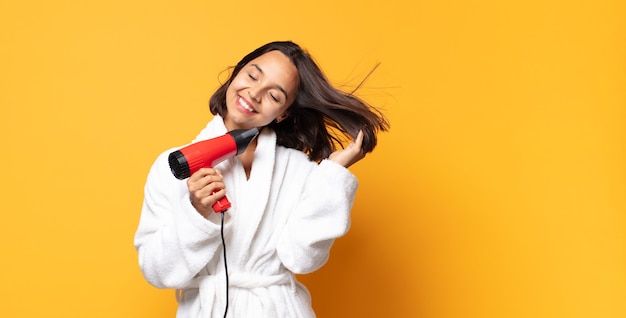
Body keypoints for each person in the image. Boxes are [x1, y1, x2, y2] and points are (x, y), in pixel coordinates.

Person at [134, 40, 390, 317]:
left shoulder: (299, 171)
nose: (254, 93)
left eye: (274, 96)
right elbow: (157, 271)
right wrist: (196, 212)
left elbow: (303, 260)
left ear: (283, 114)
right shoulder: (174, 165)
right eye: (252, 76)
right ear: (237, 72)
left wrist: (332, 173)